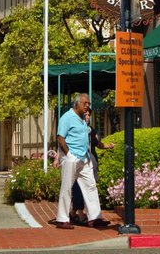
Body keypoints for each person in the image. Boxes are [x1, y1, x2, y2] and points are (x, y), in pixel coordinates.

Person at [53, 93, 109, 229]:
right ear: (76, 103)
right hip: (72, 158)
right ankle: (62, 219)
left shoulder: (83, 118)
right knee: (67, 187)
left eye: (88, 104)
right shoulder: (67, 117)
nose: (87, 106)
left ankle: (94, 217)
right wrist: (69, 155)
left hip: (84, 158)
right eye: (85, 103)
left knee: (90, 186)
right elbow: (60, 137)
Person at [69, 108, 114, 224]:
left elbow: (97, 143)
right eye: (85, 115)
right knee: (79, 187)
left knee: (90, 188)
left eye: (89, 115)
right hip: (79, 162)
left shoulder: (91, 130)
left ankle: (79, 214)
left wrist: (108, 146)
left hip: (90, 162)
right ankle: (81, 214)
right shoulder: (75, 130)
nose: (87, 117)